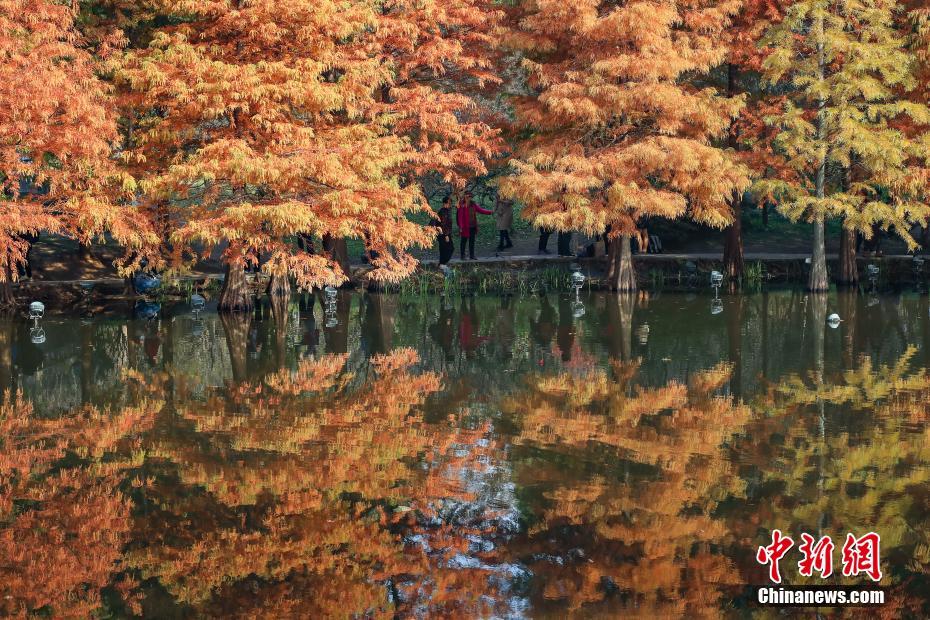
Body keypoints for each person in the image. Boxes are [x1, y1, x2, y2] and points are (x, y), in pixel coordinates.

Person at [456, 191, 492, 260]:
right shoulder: (462, 205)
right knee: (463, 241)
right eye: (467, 196)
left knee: (472, 241)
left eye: (470, 197)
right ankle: (462, 256)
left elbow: (481, 210)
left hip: (472, 226)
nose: (468, 198)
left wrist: (490, 212)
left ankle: (472, 255)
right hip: (465, 227)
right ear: (464, 197)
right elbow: (460, 217)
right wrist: (460, 227)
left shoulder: (473, 204)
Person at [434, 196, 455, 265]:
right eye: (449, 203)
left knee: (446, 249)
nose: (450, 204)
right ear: (445, 203)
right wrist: (446, 235)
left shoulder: (448, 210)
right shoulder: (442, 212)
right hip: (442, 234)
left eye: (451, 203)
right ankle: (442, 264)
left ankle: (442, 264)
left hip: (446, 233)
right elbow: (443, 224)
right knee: (447, 248)